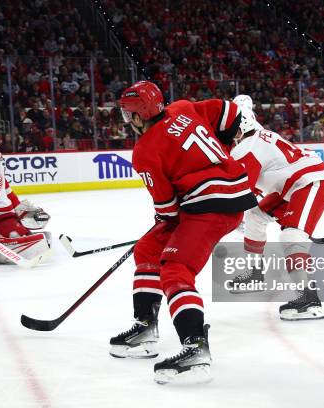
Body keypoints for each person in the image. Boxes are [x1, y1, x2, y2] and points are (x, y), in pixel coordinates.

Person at [110, 81, 256, 384]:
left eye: (128, 116)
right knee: (148, 249)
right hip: (231, 195)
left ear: (138, 115)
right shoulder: (183, 108)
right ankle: (146, 327)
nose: (128, 123)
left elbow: (167, 211)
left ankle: (195, 348)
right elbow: (229, 111)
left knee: (176, 269)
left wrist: (163, 218)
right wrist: (226, 145)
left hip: (208, 207)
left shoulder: (145, 150)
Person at [229, 95, 324, 321]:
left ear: (242, 127)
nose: (228, 135)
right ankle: (255, 274)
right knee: (255, 216)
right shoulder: (256, 138)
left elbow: (241, 192)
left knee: (291, 235)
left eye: (231, 130)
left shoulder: (246, 147)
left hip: (309, 183)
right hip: (292, 185)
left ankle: (309, 300)